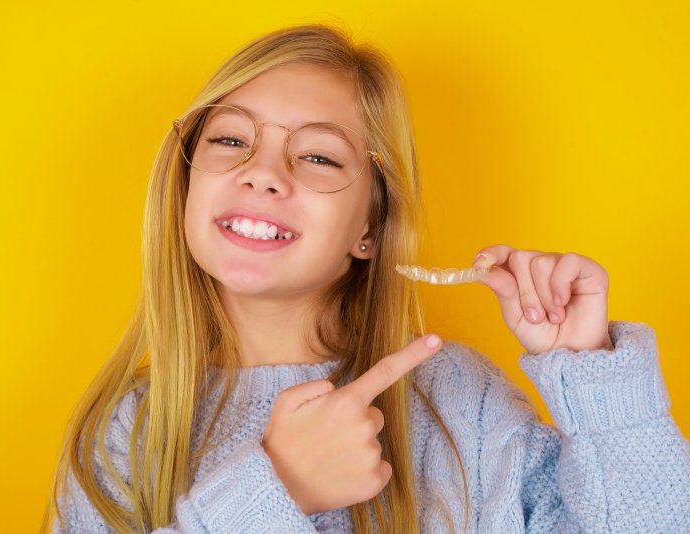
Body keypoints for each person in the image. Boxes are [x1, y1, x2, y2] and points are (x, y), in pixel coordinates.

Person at [42, 24, 690, 533]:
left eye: (319, 155)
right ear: (185, 183)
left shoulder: (462, 401)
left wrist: (595, 378)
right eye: (231, 141)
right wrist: (276, 489)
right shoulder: (125, 433)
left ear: (370, 231)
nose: (264, 171)